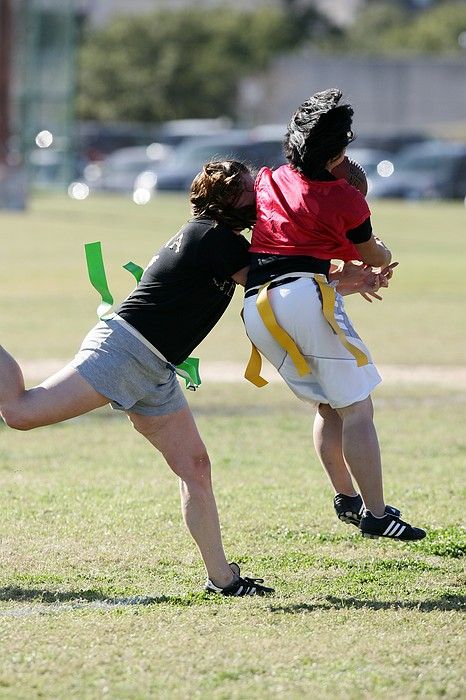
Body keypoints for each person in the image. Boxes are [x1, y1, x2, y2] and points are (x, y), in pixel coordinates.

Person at [0, 160, 274, 597]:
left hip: (155, 368)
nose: (257, 197)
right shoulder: (213, 237)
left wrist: (341, 277)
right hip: (126, 351)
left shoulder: (219, 238)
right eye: (247, 190)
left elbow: (273, 279)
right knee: (19, 412)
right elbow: (275, 284)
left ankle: (223, 579)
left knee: (195, 468)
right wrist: (341, 273)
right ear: (223, 199)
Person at [242, 88, 426, 541]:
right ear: (338, 152)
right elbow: (373, 253)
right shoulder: (346, 199)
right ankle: (378, 516)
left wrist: (345, 279)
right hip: (305, 298)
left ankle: (348, 498)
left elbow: (293, 256)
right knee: (358, 408)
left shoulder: (268, 179)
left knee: (329, 404)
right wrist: (380, 259)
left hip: (257, 307)